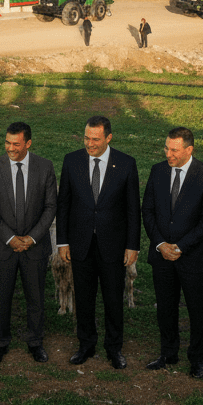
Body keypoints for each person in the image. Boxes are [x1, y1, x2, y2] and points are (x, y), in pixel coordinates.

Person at [56, 115, 140, 369]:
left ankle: (114, 349)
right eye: (86, 138)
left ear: (108, 138)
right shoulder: (71, 161)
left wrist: (132, 245)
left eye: (95, 139)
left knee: (113, 299)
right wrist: (62, 242)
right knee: (84, 298)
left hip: (113, 246)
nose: (89, 144)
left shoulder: (126, 164)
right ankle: (86, 345)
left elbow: (133, 209)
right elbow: (64, 204)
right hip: (80, 244)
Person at [141, 127, 203, 378]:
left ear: (189, 149)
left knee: (197, 311)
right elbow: (148, 211)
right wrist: (160, 244)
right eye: (166, 148)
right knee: (165, 308)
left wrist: (180, 246)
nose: (168, 154)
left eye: (174, 150)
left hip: (194, 259)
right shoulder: (157, 171)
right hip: (162, 256)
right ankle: (168, 353)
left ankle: (197, 359)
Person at [0, 121, 57, 364]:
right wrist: (10, 238)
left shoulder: (45, 167)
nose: (10, 148)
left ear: (28, 143)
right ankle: (0, 343)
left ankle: (35, 342)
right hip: (2, 246)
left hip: (35, 247)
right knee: (1, 298)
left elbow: (51, 206)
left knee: (36, 299)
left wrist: (32, 238)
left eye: (16, 144)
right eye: (7, 142)